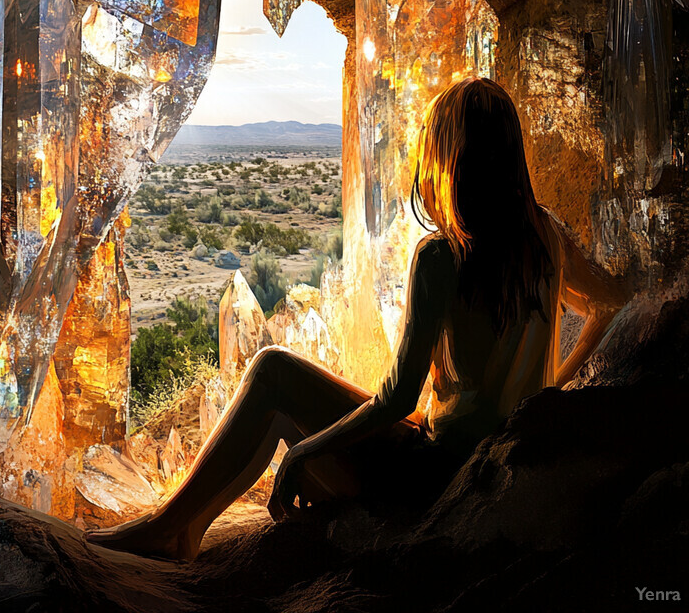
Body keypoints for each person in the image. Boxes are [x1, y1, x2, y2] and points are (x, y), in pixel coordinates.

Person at [87, 78, 627, 560]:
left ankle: (170, 527)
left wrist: (305, 452)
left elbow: (397, 398)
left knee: (273, 371)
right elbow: (613, 302)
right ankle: (183, 526)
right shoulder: (546, 235)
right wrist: (548, 392)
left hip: (432, 477)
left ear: (449, 160)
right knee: (291, 395)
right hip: (489, 459)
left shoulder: (443, 257)